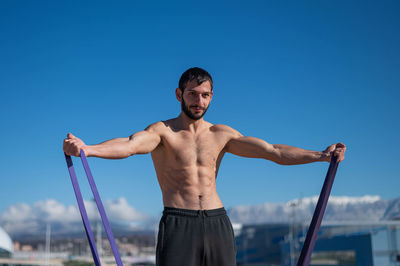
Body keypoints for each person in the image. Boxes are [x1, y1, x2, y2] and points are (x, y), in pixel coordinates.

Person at [63, 67, 346, 266]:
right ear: (179, 94)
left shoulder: (221, 134)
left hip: (217, 222)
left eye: (205, 95)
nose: (199, 101)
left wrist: (321, 155)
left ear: (212, 96)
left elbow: (273, 152)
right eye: (193, 94)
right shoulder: (163, 132)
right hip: (178, 222)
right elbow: (129, 144)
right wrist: (89, 149)